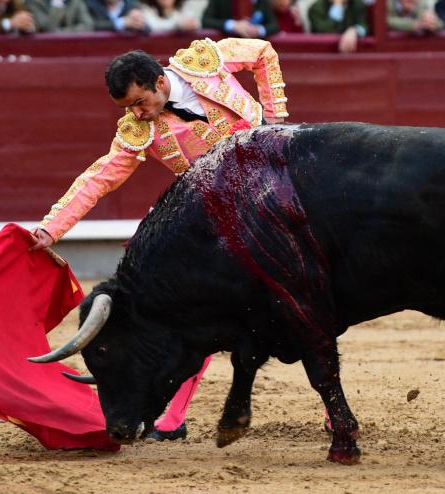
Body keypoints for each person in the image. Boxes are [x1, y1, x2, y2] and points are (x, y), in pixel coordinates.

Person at [30, 38, 289, 441]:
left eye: (139, 101)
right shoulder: (138, 130)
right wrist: (51, 228)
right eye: (127, 108)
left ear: (159, 82)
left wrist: (275, 123)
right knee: (191, 310)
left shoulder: (205, 61)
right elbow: (99, 179)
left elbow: (263, 53)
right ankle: (171, 419)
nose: (136, 112)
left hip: (275, 188)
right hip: (219, 219)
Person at [202, 0, 279, 38]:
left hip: (253, 52)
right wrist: (233, 25)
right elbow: (206, 21)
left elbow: (274, 25)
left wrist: (259, 30)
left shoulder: (262, 2)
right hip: (225, 50)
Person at [24, 0, 94, 32]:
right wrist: (57, 4)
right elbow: (47, 28)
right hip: (45, 46)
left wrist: (63, 32)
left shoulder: (75, 1)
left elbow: (88, 25)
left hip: (73, 44)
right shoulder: (34, 2)